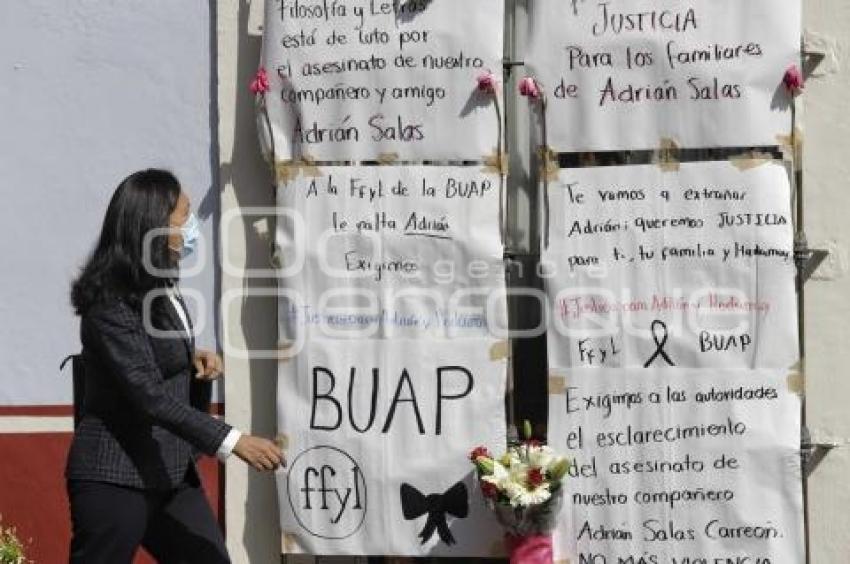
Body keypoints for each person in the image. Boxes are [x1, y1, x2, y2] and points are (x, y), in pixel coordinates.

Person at [65, 169, 284, 563]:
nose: (193, 227)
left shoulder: (163, 286)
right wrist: (234, 441)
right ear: (151, 222)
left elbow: (153, 360)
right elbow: (147, 394)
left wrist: (191, 359)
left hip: (170, 474)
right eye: (184, 216)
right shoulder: (109, 301)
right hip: (115, 475)